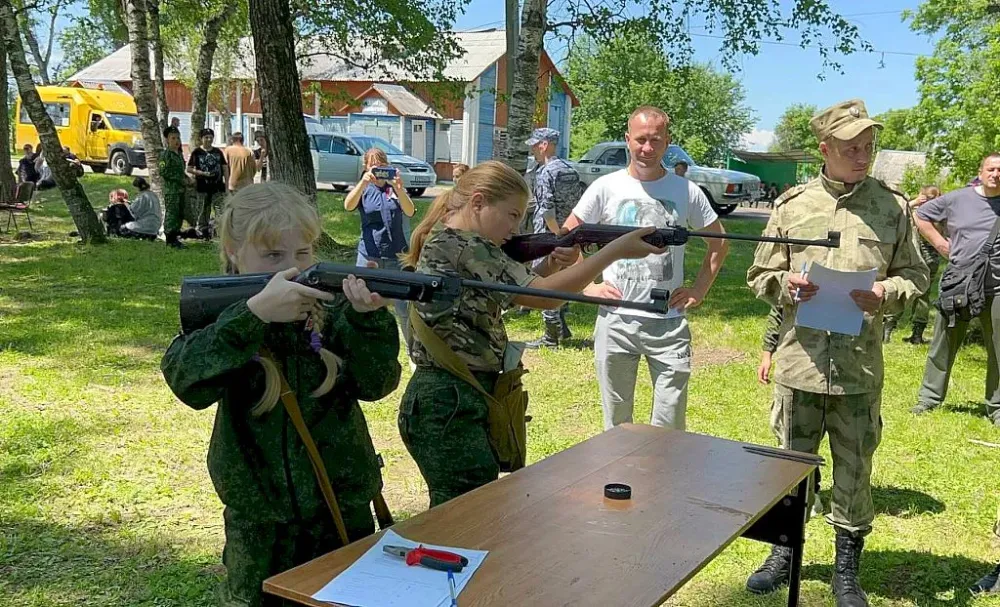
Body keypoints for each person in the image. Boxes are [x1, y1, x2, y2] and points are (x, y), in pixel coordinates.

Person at [161, 182, 401, 607]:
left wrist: (368, 320)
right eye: (274, 256)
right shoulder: (226, 314)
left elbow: (376, 384)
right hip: (259, 522)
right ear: (235, 251)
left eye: (303, 253)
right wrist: (252, 317)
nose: (293, 269)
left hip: (341, 508)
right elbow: (187, 382)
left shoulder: (335, 310)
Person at [398, 160, 666, 508]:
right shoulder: (464, 245)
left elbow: (512, 291)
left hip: (458, 394)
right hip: (448, 398)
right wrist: (613, 252)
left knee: (470, 512)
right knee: (463, 517)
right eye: (511, 215)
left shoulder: (461, 243)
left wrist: (552, 264)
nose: (514, 229)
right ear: (478, 203)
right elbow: (542, 296)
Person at [745, 99, 928, 607]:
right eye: (852, 148)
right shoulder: (791, 206)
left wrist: (886, 294)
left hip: (857, 371)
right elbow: (758, 276)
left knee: (854, 469)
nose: (863, 155)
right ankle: (784, 554)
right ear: (824, 149)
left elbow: (917, 275)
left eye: (869, 147)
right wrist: (789, 285)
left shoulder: (894, 207)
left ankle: (847, 572)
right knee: (789, 465)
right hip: (799, 364)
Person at [564, 105, 729, 431]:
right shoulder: (605, 187)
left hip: (668, 325)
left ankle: (662, 480)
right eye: (640, 140)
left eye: (656, 140)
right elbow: (567, 237)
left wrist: (698, 290)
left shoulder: (686, 191)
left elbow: (720, 243)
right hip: (616, 323)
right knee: (617, 423)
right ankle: (619, 480)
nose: (647, 148)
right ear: (628, 139)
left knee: (669, 426)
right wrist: (589, 286)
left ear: (668, 142)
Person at [910, 153, 1000, 423]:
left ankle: (996, 407)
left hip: (996, 286)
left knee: (998, 348)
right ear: (981, 171)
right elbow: (921, 214)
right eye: (991, 169)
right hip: (959, 282)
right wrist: (940, 244)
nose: (996, 174)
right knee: (943, 343)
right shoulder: (958, 198)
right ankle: (929, 398)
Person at [344, 148, 416, 345]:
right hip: (369, 255)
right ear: (366, 167)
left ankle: (413, 351)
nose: (379, 172)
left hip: (396, 255)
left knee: (404, 308)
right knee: (365, 304)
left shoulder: (395, 188)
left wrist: (399, 188)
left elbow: (410, 211)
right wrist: (363, 182)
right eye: (374, 167)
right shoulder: (364, 188)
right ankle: (366, 346)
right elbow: (348, 205)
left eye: (382, 166)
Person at [523, 127, 584, 349]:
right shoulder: (570, 170)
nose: (533, 151)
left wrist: (555, 232)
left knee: (545, 284)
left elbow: (547, 209)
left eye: (535, 146)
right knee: (564, 281)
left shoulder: (545, 172)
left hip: (550, 235)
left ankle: (550, 337)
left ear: (544, 145)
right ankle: (563, 328)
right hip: (570, 233)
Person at [882, 185, 944, 344]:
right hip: (932, 258)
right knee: (923, 295)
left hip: (913, 255)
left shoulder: (917, 214)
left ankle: (888, 329)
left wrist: (914, 202)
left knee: (901, 290)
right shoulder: (941, 215)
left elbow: (896, 211)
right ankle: (917, 334)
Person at [188, 128, 228, 239]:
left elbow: (225, 168)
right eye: (206, 137)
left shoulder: (218, 152)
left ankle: (219, 232)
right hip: (202, 187)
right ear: (201, 139)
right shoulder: (197, 152)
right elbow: (189, 169)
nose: (209, 139)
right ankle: (202, 231)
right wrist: (202, 173)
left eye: (210, 137)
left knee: (220, 210)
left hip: (218, 188)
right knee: (202, 211)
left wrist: (227, 184)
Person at [159, 126, 192, 249]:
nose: (176, 141)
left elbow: (180, 171)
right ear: (168, 140)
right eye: (173, 138)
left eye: (178, 138)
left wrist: (187, 178)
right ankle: (170, 238)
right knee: (172, 214)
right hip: (171, 190)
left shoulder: (178, 154)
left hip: (181, 190)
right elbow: (164, 171)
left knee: (179, 214)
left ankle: (176, 237)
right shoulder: (165, 155)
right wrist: (180, 179)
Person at [119, 177, 162, 241]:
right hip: (155, 226)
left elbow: (133, 212)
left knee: (122, 228)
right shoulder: (153, 195)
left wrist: (126, 204)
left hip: (146, 226)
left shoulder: (142, 197)